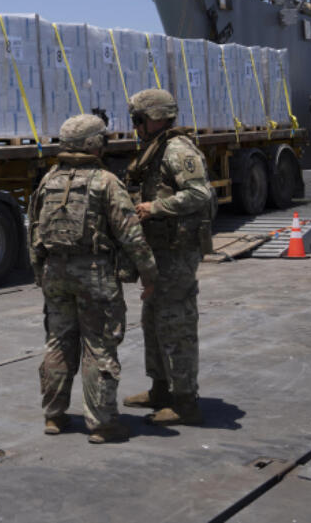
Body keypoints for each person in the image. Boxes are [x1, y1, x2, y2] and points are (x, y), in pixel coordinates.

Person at [29, 114, 158, 444]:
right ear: (95, 144)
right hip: (94, 275)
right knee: (98, 344)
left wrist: (39, 274)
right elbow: (131, 235)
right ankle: (101, 423)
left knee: (58, 341)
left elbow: (33, 231)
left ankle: (54, 416)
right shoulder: (106, 181)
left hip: (54, 274)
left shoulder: (48, 181)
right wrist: (149, 275)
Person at [121, 89, 215, 427]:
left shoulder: (177, 150)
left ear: (156, 117)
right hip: (160, 251)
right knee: (153, 320)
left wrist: (156, 207)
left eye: (139, 119)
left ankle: (185, 400)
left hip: (177, 251)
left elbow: (199, 193)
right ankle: (160, 389)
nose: (136, 126)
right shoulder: (155, 147)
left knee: (176, 324)